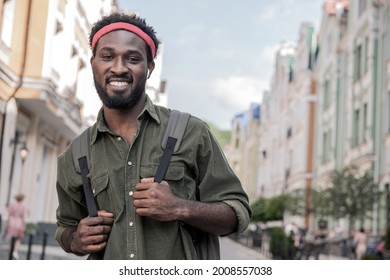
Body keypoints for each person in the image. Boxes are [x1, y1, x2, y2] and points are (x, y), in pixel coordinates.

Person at [55, 11, 251, 260]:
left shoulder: (192, 132)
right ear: (93, 62)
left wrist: (180, 207)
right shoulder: (74, 155)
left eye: (132, 59)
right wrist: (76, 239)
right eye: (107, 56)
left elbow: (237, 214)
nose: (119, 68)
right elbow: (65, 228)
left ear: (149, 67)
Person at [6, 193, 28, 260]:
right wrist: (24, 225)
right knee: (18, 239)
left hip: (12, 222)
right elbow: (24, 217)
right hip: (19, 222)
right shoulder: (24, 206)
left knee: (11, 238)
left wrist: (7, 223)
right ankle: (15, 251)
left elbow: (9, 215)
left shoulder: (12, 205)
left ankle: (10, 252)